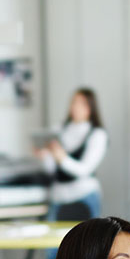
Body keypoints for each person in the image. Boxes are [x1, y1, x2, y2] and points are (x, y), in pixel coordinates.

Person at [36, 87, 108, 222]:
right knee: (53, 242)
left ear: (91, 107)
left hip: (83, 195)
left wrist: (62, 159)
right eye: (74, 102)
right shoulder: (59, 130)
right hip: (59, 196)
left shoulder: (97, 134)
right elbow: (51, 169)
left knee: (85, 240)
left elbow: (84, 170)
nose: (76, 107)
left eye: (82, 103)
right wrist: (45, 156)